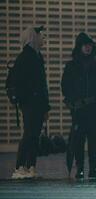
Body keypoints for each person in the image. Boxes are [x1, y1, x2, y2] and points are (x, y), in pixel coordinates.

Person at [61, 32, 96, 179]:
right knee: (78, 139)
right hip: (78, 108)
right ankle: (80, 168)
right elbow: (65, 86)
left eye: (90, 45)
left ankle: (93, 168)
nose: (88, 48)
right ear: (79, 47)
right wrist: (73, 101)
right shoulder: (71, 66)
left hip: (93, 108)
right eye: (85, 45)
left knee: (93, 138)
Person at [11, 26, 51, 179]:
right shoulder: (25, 57)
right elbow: (23, 83)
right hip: (29, 103)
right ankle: (19, 166)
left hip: (37, 103)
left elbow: (42, 85)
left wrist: (45, 106)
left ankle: (30, 165)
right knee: (29, 134)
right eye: (42, 36)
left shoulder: (37, 56)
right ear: (34, 37)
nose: (44, 38)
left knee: (34, 135)